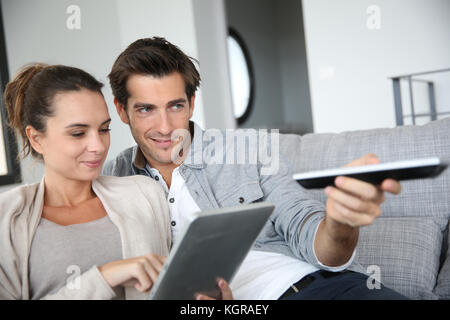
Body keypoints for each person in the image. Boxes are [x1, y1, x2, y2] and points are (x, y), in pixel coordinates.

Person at [102, 37, 408, 300]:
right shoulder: (113, 178)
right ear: (121, 110)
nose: (166, 127)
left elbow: (308, 229)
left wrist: (341, 223)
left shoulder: (249, 150)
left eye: (175, 106)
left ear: (192, 103)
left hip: (310, 288)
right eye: (145, 109)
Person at [0, 63, 232, 300]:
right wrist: (106, 276)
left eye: (104, 129)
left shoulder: (144, 195)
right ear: (36, 138)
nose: (98, 146)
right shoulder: (7, 219)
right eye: (78, 133)